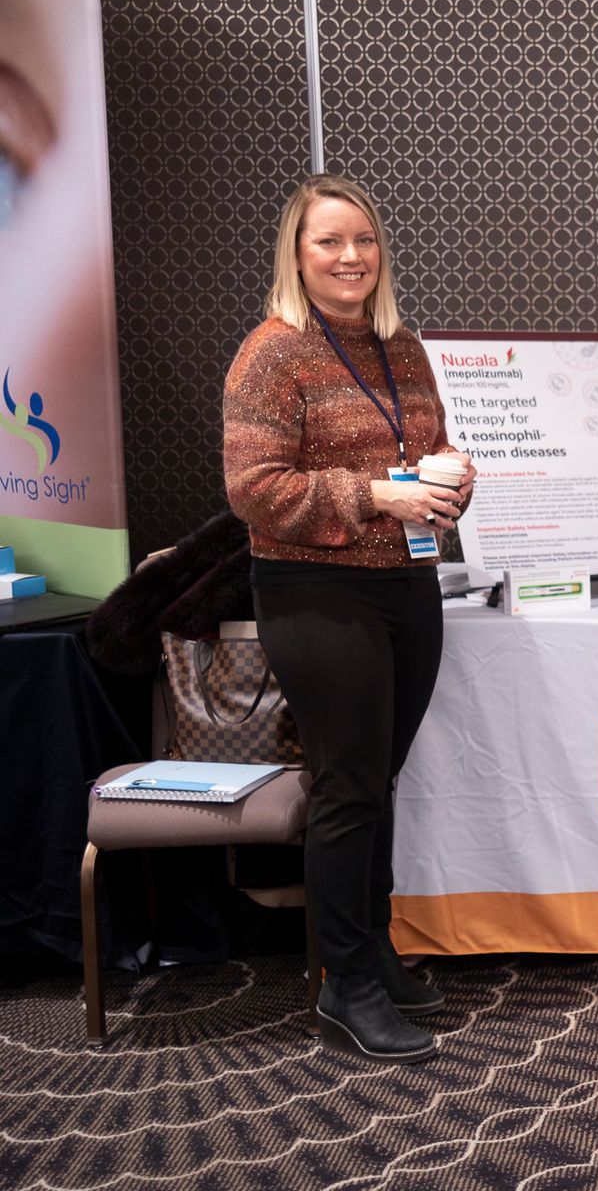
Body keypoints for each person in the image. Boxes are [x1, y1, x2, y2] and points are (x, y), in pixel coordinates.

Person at [224, 175, 476, 1064]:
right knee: (347, 785)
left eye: (363, 240)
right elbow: (254, 491)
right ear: (298, 254)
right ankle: (345, 983)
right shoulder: (273, 352)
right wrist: (375, 495)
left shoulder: (399, 345)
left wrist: (452, 481)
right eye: (329, 242)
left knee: (382, 779)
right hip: (313, 589)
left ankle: (374, 948)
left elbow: (429, 444)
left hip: (407, 583)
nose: (350, 257)